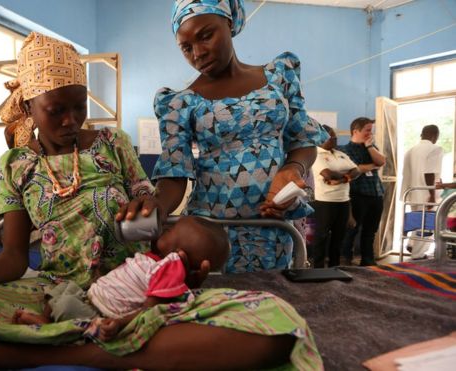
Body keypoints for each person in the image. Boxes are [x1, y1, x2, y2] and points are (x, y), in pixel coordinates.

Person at [0, 31, 321, 370]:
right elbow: (14, 258)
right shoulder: (17, 164)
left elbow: (150, 203)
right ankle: (109, 345)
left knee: (279, 323)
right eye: (55, 110)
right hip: (54, 294)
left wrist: (152, 217)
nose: (70, 120)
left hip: (140, 291)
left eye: (79, 106)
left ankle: (62, 351)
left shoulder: (113, 143)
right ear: (28, 109)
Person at [117, 0, 328, 273]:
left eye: (206, 36)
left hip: (272, 227)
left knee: (270, 301)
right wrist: (157, 206)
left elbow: (302, 140)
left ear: (229, 23)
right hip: (209, 234)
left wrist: (292, 169)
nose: (198, 53)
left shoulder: (279, 77)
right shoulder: (179, 103)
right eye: (186, 47)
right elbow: (175, 172)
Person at [12, 216, 230, 342]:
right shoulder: (155, 260)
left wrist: (119, 324)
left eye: (172, 231)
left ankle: (50, 329)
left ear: (178, 252)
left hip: (101, 314)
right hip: (91, 297)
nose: (166, 229)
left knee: (68, 306)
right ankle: (46, 318)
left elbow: (150, 310)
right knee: (64, 288)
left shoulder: (169, 268)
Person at [310, 125, 360, 267]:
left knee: (339, 237)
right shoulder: (315, 154)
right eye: (332, 137)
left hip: (343, 201)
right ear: (322, 138)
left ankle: (334, 266)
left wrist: (342, 179)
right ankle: (318, 268)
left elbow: (356, 171)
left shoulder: (341, 154)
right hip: (324, 202)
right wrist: (347, 174)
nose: (335, 139)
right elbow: (327, 174)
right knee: (322, 236)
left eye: (335, 136)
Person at [339, 117, 386, 266]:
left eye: (371, 130)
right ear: (355, 131)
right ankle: (346, 260)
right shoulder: (344, 150)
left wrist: (370, 147)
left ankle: (368, 260)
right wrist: (371, 165)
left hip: (376, 193)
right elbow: (356, 169)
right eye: (367, 130)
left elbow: (382, 161)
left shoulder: (371, 147)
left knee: (371, 230)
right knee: (352, 229)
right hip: (356, 194)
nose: (370, 133)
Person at [401, 125, 443, 259]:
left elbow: (405, 173)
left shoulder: (410, 150)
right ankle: (418, 255)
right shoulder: (435, 149)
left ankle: (412, 245)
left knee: (417, 220)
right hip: (426, 192)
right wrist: (431, 195)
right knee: (427, 224)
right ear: (434, 135)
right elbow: (429, 173)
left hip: (411, 192)